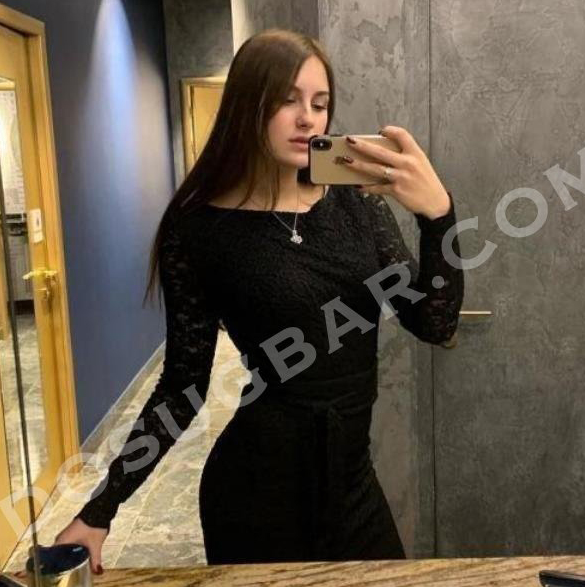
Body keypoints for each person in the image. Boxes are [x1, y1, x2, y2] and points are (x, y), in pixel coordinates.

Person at [52, 28, 464, 572]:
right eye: (287, 100)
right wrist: (101, 509)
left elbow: (433, 322)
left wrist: (438, 216)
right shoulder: (199, 230)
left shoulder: (359, 206)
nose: (308, 119)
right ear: (248, 104)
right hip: (255, 497)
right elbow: (182, 387)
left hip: (352, 488)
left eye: (319, 104)